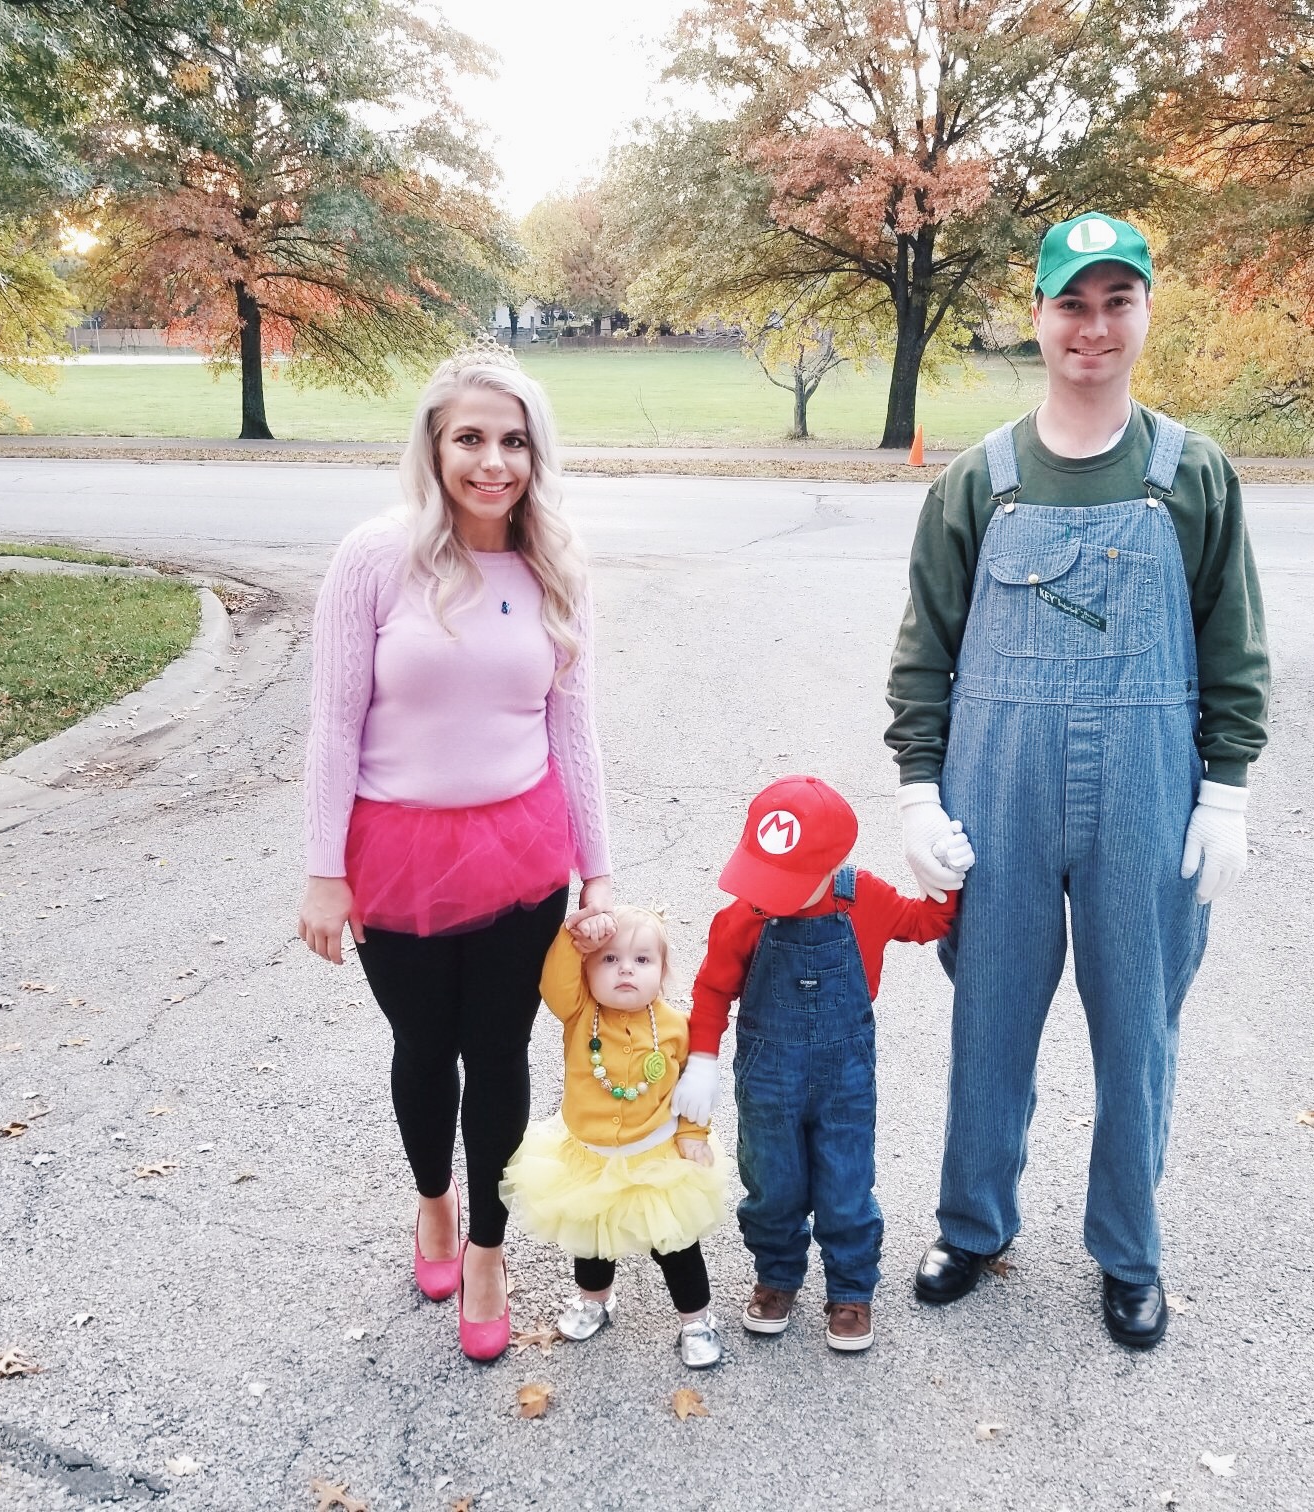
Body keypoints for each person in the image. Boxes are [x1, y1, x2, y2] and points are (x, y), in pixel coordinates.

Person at [885, 212, 1271, 1348]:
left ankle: (1128, 1248)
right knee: (990, 1019)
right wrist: (917, 789)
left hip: (1149, 790)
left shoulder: (1189, 474)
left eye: (1116, 301)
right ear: (1037, 317)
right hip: (995, 785)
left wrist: (1228, 789)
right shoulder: (979, 482)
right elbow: (925, 649)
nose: (1092, 327)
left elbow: (1232, 645)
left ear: (1145, 314)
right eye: (1071, 303)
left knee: (1137, 1027)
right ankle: (972, 1223)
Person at [298, 343, 613, 1362]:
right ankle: (433, 1202)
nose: (493, 462)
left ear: (535, 453)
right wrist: (321, 869)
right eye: (469, 439)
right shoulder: (375, 559)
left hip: (522, 854)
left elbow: (575, 730)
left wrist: (598, 869)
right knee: (424, 1050)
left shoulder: (552, 563)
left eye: (512, 441)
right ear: (434, 449)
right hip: (395, 856)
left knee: (502, 1054)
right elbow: (332, 723)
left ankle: (486, 1246)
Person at [670, 775, 973, 1353]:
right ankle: (777, 1276)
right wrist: (702, 1059)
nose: (762, 893)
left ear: (828, 867)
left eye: (779, 880)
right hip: (767, 1078)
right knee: (771, 1183)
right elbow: (712, 990)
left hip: (845, 1079)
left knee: (847, 1184)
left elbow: (927, 922)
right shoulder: (744, 917)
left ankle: (852, 1288)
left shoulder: (866, 900)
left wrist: (945, 878)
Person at [500, 908, 731, 1368]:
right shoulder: (579, 1012)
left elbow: (693, 1090)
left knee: (677, 1246)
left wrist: (692, 1133)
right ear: (587, 972)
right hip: (591, 1159)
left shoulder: (675, 1028)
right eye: (608, 960)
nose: (626, 969)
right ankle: (595, 1300)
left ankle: (696, 1320)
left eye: (643, 960)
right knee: (593, 1240)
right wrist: (574, 938)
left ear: (662, 974)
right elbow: (554, 981)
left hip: (656, 1157)